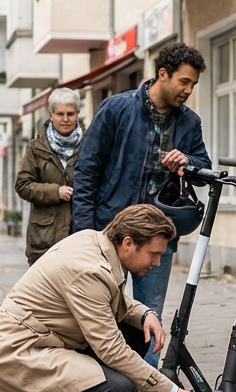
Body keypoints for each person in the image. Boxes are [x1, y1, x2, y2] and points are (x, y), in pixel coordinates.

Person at [0, 205, 218, 392]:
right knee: (117, 391)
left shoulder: (97, 242)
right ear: (127, 243)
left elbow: (110, 301)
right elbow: (111, 350)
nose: (157, 262)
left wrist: (145, 314)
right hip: (20, 352)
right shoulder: (88, 270)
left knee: (138, 332)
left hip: (50, 340)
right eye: (154, 254)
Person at [71, 42, 212, 364]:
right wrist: (83, 232)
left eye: (193, 84)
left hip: (159, 238)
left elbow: (203, 169)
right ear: (163, 74)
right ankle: (98, 385)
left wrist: (187, 161)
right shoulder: (116, 109)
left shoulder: (190, 122)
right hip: (110, 231)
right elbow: (87, 171)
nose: (188, 90)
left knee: (150, 317)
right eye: (184, 82)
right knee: (100, 314)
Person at [16, 88, 84, 265]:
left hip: (79, 232)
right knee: (44, 291)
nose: (65, 119)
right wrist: (56, 192)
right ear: (51, 115)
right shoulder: (35, 147)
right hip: (44, 237)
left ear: (77, 114)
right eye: (60, 114)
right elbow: (22, 185)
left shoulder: (90, 144)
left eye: (70, 114)